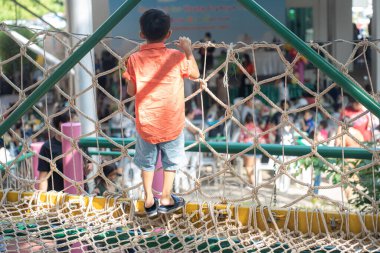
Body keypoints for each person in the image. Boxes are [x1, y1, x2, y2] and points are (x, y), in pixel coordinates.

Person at [123, 9, 200, 217]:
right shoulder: (176, 57)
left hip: (146, 123)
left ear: (141, 34)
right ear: (168, 34)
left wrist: (130, 75)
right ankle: (166, 198)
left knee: (147, 163)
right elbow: (195, 74)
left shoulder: (134, 59)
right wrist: (188, 50)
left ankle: (149, 200)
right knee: (171, 162)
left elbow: (131, 91)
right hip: (172, 123)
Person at [37, 112, 70, 192]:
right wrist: (41, 199)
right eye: (73, 123)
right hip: (58, 196)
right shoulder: (48, 147)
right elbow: (43, 177)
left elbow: (87, 168)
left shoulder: (79, 143)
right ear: (61, 125)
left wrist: (88, 167)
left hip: (81, 194)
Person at [238, 114, 265, 185]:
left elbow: (240, 141)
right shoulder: (257, 128)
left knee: (248, 167)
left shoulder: (244, 128)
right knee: (255, 166)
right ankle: (254, 182)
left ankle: (252, 183)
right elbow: (263, 140)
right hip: (259, 149)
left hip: (249, 148)